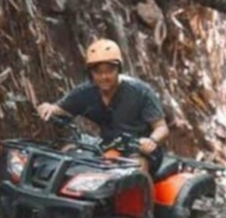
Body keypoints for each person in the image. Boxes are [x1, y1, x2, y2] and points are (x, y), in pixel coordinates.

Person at [37, 39, 169, 175]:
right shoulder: (86, 92)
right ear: (90, 73)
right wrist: (49, 108)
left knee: (135, 168)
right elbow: (60, 109)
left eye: (110, 71)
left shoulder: (141, 92)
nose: (104, 77)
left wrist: (151, 141)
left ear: (119, 69)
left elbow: (161, 127)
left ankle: (143, 195)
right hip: (106, 147)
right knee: (68, 152)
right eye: (98, 72)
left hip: (140, 150)